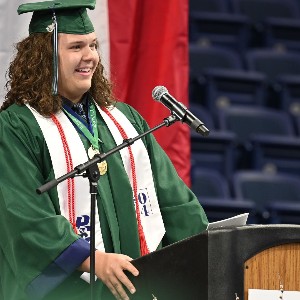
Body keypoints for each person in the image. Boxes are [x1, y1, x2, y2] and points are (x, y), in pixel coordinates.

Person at [0, 1, 208, 300]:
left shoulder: (125, 120)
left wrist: (211, 248)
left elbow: (174, 203)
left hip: (136, 287)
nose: (90, 57)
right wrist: (92, 259)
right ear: (44, 58)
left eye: (94, 45)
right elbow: (22, 216)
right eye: (76, 47)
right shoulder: (18, 128)